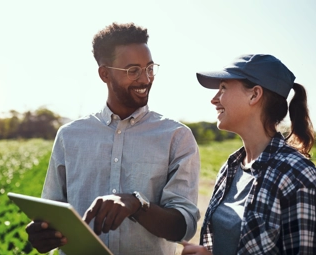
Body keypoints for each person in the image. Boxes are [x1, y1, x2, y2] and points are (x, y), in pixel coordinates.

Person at [25, 22, 200, 255]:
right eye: (133, 70)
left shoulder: (177, 137)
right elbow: (53, 213)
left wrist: (137, 205)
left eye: (149, 68)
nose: (146, 79)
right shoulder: (69, 136)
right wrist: (43, 234)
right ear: (104, 74)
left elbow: (183, 227)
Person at [181, 54, 316, 254]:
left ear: (254, 95)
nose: (214, 99)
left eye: (223, 88)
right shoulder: (231, 167)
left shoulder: (299, 178)